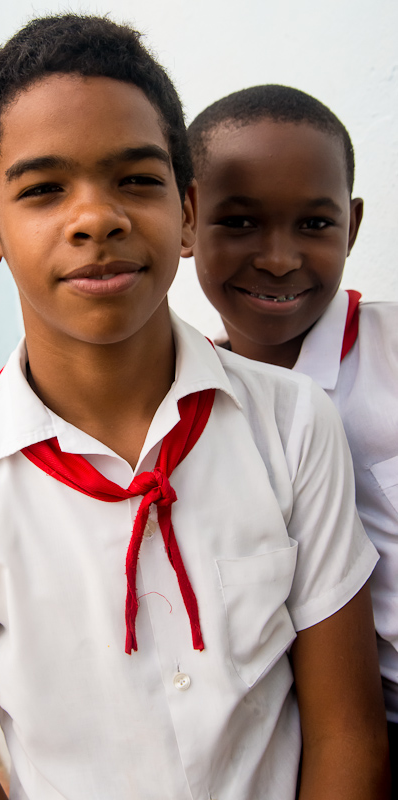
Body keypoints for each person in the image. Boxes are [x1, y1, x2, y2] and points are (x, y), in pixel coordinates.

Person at [0, 22, 389, 800]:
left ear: (187, 211)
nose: (96, 218)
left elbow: (346, 730)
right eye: (42, 189)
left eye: (136, 180)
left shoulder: (293, 425)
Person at [186, 83, 397, 794]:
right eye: (240, 223)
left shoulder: (392, 357)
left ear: (352, 225)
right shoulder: (193, 410)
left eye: (313, 224)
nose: (278, 259)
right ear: (186, 221)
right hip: (324, 737)